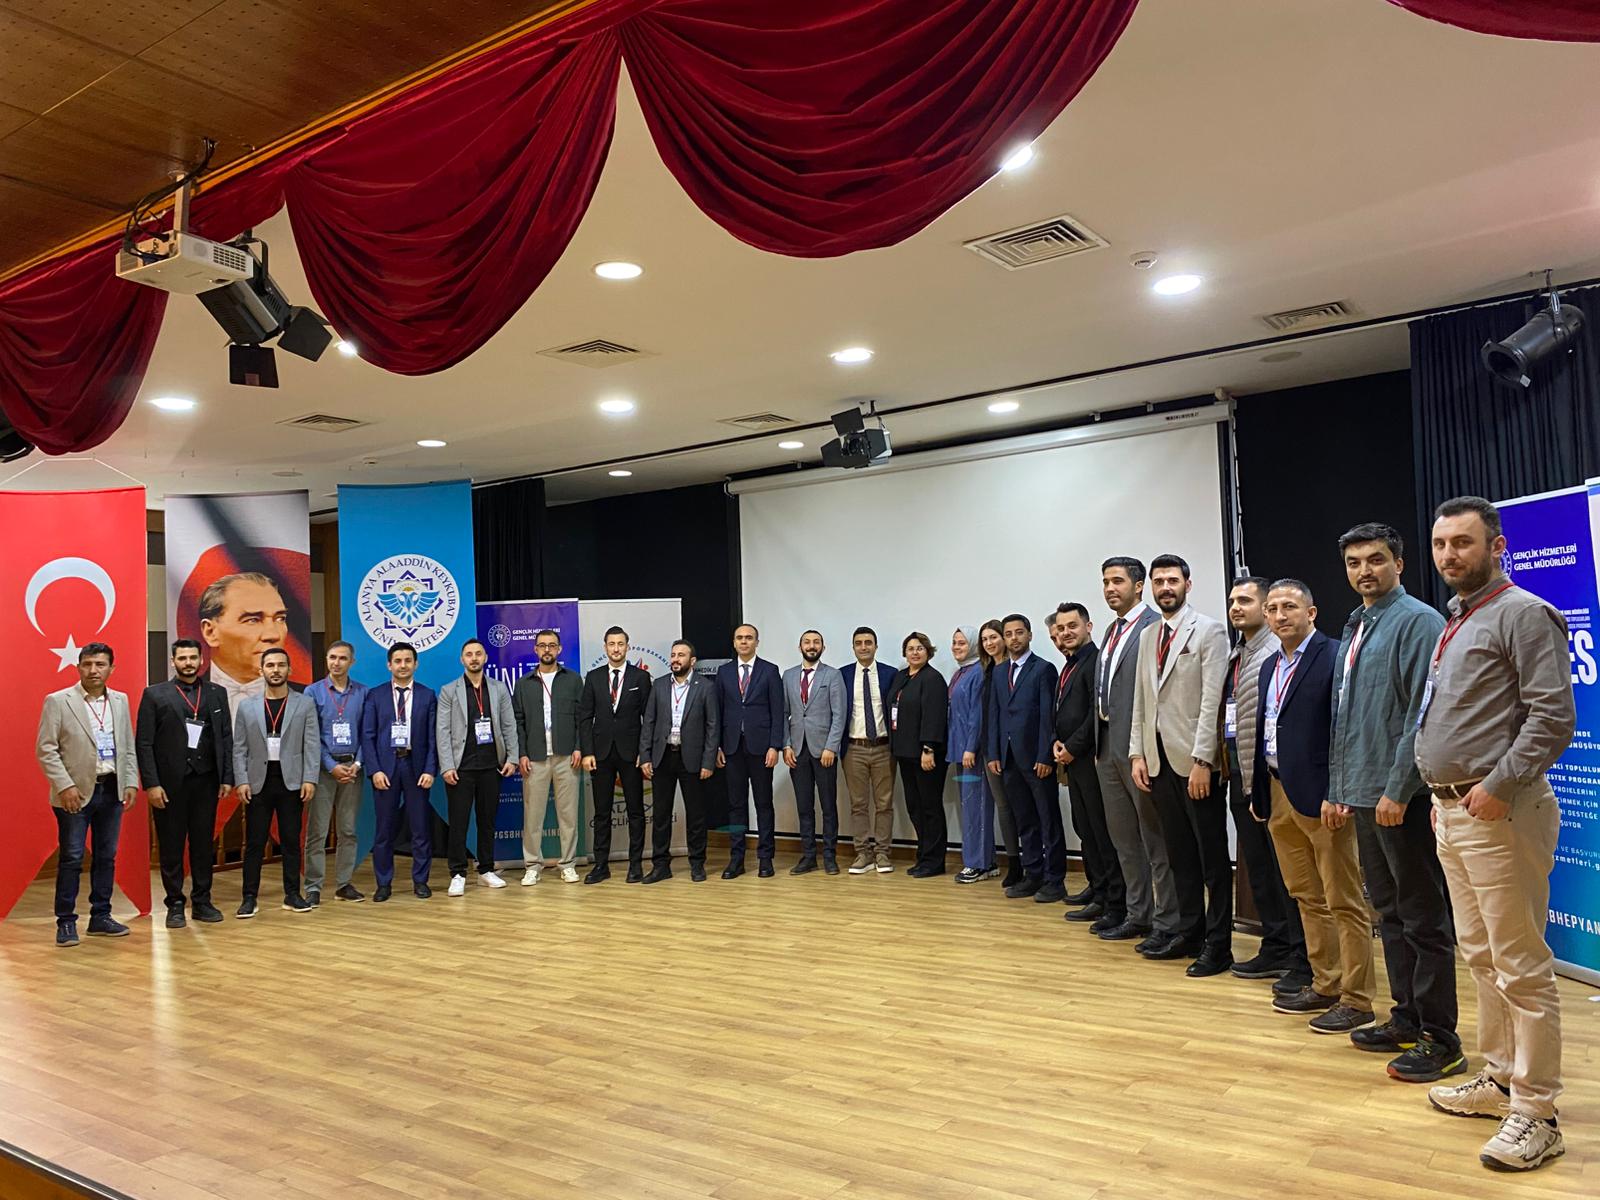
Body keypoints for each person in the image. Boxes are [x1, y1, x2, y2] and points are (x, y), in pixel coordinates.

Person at [1417, 496, 1573, 1173]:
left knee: (1522, 968)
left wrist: (1496, 786)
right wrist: (1443, 794)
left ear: (1497, 546)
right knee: (1481, 957)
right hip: (1454, 813)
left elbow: (1553, 717)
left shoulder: (1523, 613)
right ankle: (1502, 1079)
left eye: (1463, 542)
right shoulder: (1460, 617)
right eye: (1440, 543)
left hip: (1500, 812)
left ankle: (1538, 1113)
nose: (1449, 554)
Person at [1328, 522, 1462, 1083]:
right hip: (1364, 795)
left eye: (1376, 559)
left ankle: (1441, 1038)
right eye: (1354, 562)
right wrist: (1340, 788)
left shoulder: (1417, 621)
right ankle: (1405, 1017)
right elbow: (1346, 717)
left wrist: (1396, 789)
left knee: (1422, 917)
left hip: (1397, 798)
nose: (1365, 570)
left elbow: (1421, 715)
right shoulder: (1359, 623)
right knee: (1389, 914)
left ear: (1399, 564)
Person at [1251, 581, 1375, 1034]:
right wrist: (1260, 792)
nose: (1279, 615)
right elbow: (1268, 727)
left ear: (1312, 612)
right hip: (1278, 791)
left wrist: (1338, 791)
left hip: (1324, 797)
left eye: (1289, 606)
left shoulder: (1334, 656)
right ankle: (1326, 982)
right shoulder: (1270, 665)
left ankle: (1357, 999)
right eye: (1272, 608)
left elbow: (1347, 730)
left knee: (1343, 898)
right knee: (1306, 895)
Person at [1129, 553, 1231, 975]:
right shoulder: (1148, 635)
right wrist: (1137, 752)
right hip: (1157, 761)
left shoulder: (1209, 630)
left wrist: (1204, 759)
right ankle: (1189, 933)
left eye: (1172, 580)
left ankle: (1219, 946)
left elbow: (1212, 701)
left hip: (1194, 762)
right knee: (1180, 856)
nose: (1165, 587)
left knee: (1211, 858)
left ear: (1188, 584)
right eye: (1159, 581)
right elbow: (1141, 699)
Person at [1221, 578, 1308, 989]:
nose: (1236, 607)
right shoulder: (1239, 652)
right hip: (1243, 773)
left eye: (1246, 600)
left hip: (1273, 778)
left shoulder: (1276, 651)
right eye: (1232, 601)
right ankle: (1275, 945)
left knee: (1286, 873)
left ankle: (1300, 954)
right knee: (1260, 869)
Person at [34, 642, 138, 946]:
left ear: (111, 669)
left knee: (106, 856)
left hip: (112, 789)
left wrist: (130, 781)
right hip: (75, 793)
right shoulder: (58, 701)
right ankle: (66, 922)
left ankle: (100, 916)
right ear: (79, 667)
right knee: (72, 857)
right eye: (88, 664)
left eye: (100, 664)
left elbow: (127, 745)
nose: (94, 670)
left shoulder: (120, 700)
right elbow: (46, 749)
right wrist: (64, 786)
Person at [1092, 557, 1172, 946]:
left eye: (1118, 581)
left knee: (1155, 838)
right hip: (1106, 743)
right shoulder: (1111, 630)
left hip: (1139, 745)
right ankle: (1138, 914)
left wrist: (1142, 746)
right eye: (1106, 582)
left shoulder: (1154, 626)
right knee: (1123, 837)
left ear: (1139, 586)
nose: (1110, 588)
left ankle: (1167, 920)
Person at [135, 638, 232, 927]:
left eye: (193, 658)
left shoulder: (217, 693)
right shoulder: (155, 694)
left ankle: (202, 901)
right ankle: (175, 904)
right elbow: (144, 743)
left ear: (201, 660)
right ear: (173, 661)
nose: (188, 663)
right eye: (182, 658)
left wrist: (227, 777)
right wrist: (151, 784)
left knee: (203, 844)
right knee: (171, 846)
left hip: (207, 781)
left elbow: (225, 737)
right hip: (169, 785)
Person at [1051, 602, 1123, 933]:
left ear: (1088, 626)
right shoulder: (1070, 664)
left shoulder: (1095, 661)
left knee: (1100, 832)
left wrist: (1072, 747)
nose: (1066, 632)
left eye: (1072, 626)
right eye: (1061, 628)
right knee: (1085, 830)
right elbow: (1062, 711)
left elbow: (1096, 712)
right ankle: (1097, 888)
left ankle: (1112, 901)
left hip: (1091, 758)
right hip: (1072, 760)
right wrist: (1057, 741)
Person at [231, 648, 319, 918]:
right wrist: (241, 780)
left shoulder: (304, 704)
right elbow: (239, 748)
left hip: (292, 781)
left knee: (291, 840)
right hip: (258, 782)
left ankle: (292, 894)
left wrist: (310, 778)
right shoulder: (247, 706)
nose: (276, 670)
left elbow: (311, 744)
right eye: (270, 665)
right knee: (255, 842)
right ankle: (249, 897)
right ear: (261, 671)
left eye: (281, 665)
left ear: (289, 670)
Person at [986, 613, 1064, 902]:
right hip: (1007, 759)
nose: (1014, 638)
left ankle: (1054, 880)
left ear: (1029, 635)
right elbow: (994, 713)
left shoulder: (1043, 669)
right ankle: (1033, 875)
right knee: (1024, 819)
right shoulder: (998, 672)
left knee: (1047, 819)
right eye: (1008, 634)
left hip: (1036, 759)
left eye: (1019, 632)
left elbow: (1048, 717)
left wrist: (1045, 755)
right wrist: (994, 752)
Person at [437, 638, 518, 897]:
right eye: (469, 654)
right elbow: (442, 731)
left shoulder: (498, 688)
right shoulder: (449, 691)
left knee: (487, 821)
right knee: (459, 823)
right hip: (461, 768)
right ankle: (458, 873)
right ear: (462, 659)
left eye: (478, 654)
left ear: (485, 658)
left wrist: (513, 758)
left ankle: (485, 870)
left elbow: (509, 725)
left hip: (491, 766)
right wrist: (446, 765)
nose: (474, 658)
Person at [360, 641, 438, 901]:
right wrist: (375, 770)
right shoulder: (375, 695)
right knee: (384, 830)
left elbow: (433, 737)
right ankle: (383, 883)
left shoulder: (427, 695)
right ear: (389, 665)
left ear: (416, 664)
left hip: (416, 769)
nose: (402, 665)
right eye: (397, 661)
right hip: (386, 769)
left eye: (407, 661)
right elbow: (368, 736)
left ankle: (420, 881)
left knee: (420, 829)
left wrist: (430, 769)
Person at [639, 639, 720, 882]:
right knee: (661, 814)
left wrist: (708, 762)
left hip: (692, 758)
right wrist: (645, 756)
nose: (675, 659)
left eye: (681, 655)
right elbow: (649, 722)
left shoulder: (706, 687)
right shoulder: (660, 684)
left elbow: (712, 726)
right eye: (673, 655)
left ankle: (697, 863)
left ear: (692, 661)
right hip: (663, 756)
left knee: (696, 814)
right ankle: (660, 865)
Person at [578, 626, 651, 883]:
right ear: (605, 647)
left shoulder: (640, 678)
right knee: (601, 813)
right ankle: (601, 866)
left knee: (635, 811)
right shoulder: (593, 677)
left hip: (631, 754)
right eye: (612, 644)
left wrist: (645, 752)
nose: (616, 648)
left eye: (620, 644)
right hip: (601, 754)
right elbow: (585, 718)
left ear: (627, 647)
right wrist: (587, 751)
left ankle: (635, 865)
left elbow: (649, 719)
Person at [513, 629, 583, 884]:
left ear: (559, 649)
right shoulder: (524, 683)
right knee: (533, 816)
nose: (547, 650)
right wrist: (521, 753)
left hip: (567, 756)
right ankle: (532, 865)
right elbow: (518, 722)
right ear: (535, 650)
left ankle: (568, 864)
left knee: (568, 815)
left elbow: (582, 718)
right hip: (535, 757)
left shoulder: (573, 680)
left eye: (552, 645)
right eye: (542, 645)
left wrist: (579, 747)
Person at [715, 624, 785, 878]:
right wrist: (717, 746)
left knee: (763, 803)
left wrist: (775, 745)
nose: (744, 642)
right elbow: (717, 711)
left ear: (757, 642)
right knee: (736, 805)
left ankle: (766, 858)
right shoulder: (724, 672)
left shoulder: (770, 670)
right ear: (734, 643)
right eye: (740, 638)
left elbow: (778, 711)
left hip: (761, 747)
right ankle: (737, 859)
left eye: (749, 638)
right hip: (732, 747)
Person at [304, 641, 368, 904]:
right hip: (323, 771)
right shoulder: (312, 692)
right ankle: (313, 887)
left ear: (352, 662)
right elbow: (311, 735)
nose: (336, 663)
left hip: (353, 770)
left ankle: (344, 884)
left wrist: (357, 764)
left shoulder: (363, 692)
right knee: (317, 831)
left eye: (342, 658)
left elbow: (367, 733)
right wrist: (331, 765)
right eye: (332, 657)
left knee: (348, 830)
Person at [782, 630, 847, 874]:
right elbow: (783, 713)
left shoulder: (832, 675)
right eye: (807, 642)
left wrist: (831, 746)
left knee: (828, 806)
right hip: (797, 750)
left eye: (816, 642)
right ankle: (808, 856)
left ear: (823, 647)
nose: (812, 646)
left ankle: (830, 856)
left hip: (824, 751)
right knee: (804, 806)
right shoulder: (788, 676)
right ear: (800, 647)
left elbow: (839, 714)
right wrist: (786, 744)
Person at [887, 632, 950, 877]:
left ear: (928, 652)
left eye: (920, 648)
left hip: (926, 755)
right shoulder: (902, 677)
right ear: (905, 652)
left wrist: (928, 748)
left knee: (930, 808)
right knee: (915, 807)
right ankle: (923, 856)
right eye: (911, 648)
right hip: (905, 753)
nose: (915, 652)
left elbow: (934, 716)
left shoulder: (933, 678)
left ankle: (935, 861)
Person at [841, 627, 899, 874]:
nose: (863, 647)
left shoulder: (890, 674)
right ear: (853, 647)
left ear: (876, 646)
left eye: (868, 642)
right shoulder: (843, 675)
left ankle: (883, 853)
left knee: (884, 803)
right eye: (859, 643)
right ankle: (862, 853)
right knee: (858, 804)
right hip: (854, 748)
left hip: (884, 748)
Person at [197, 571, 290, 716]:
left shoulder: (305, 699)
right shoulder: (188, 697)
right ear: (211, 632)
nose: (273, 635)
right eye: (252, 620)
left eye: (280, 618)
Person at [948, 625, 994, 884]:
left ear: (974, 645)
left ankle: (978, 864)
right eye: (954, 643)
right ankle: (986, 860)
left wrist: (970, 747)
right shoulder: (960, 672)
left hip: (971, 753)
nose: (956, 647)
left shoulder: (979, 672)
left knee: (976, 807)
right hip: (960, 749)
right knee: (970, 807)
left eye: (962, 643)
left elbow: (977, 714)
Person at [977, 620, 1022, 885]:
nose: (989, 643)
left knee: (1021, 807)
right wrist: (990, 751)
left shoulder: (1014, 669)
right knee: (1004, 808)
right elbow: (988, 716)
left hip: (1014, 750)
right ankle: (1014, 863)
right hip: (991, 750)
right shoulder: (987, 671)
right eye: (984, 639)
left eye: (993, 637)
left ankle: (1031, 862)